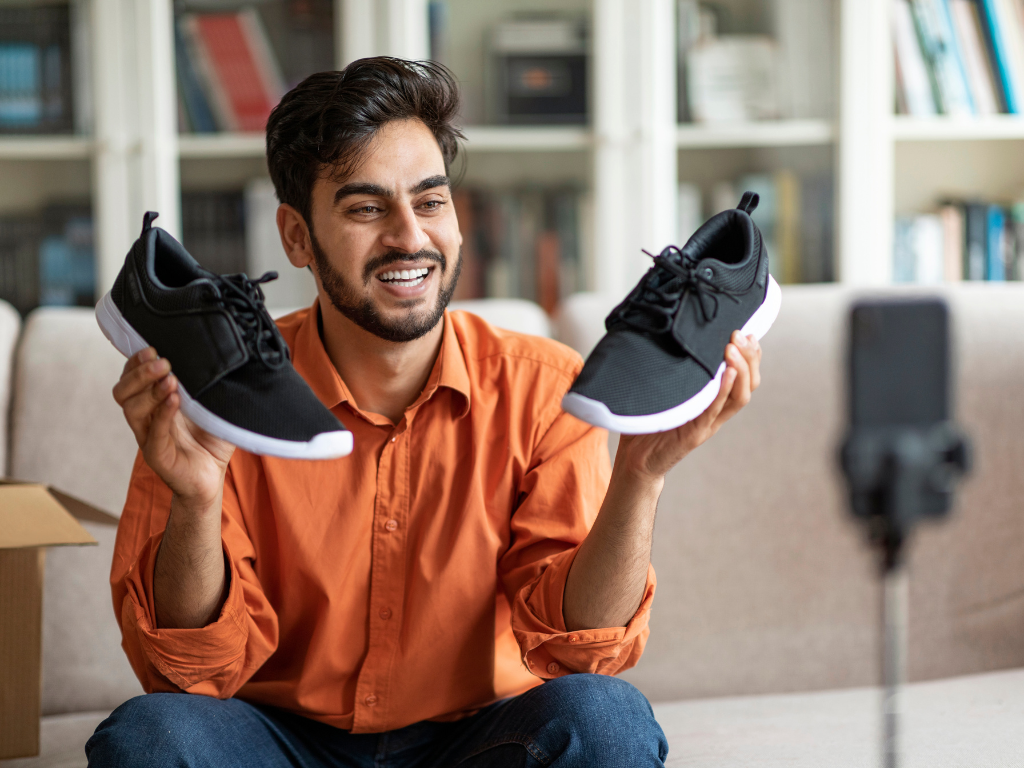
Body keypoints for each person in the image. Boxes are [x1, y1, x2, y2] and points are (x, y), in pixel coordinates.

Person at [87, 58, 762, 768]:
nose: (409, 237)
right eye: (366, 207)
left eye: (431, 201)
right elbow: (186, 675)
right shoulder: (217, 393)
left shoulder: (546, 389)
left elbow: (577, 646)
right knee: (149, 736)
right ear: (295, 237)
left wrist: (641, 478)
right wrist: (195, 499)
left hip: (476, 741)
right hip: (277, 741)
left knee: (607, 719)